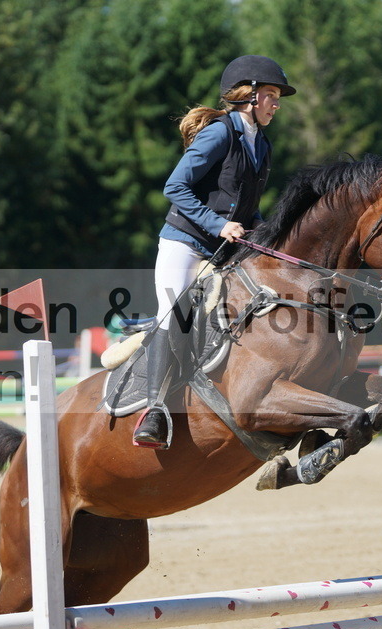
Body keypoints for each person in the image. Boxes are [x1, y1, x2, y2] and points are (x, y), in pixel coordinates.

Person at [132, 55, 295, 449]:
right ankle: (153, 410)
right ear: (249, 96)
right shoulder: (219, 133)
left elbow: (247, 204)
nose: (276, 104)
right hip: (185, 242)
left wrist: (265, 236)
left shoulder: (262, 144)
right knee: (175, 312)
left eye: (277, 97)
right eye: (271, 95)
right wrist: (218, 224)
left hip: (225, 247)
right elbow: (175, 187)